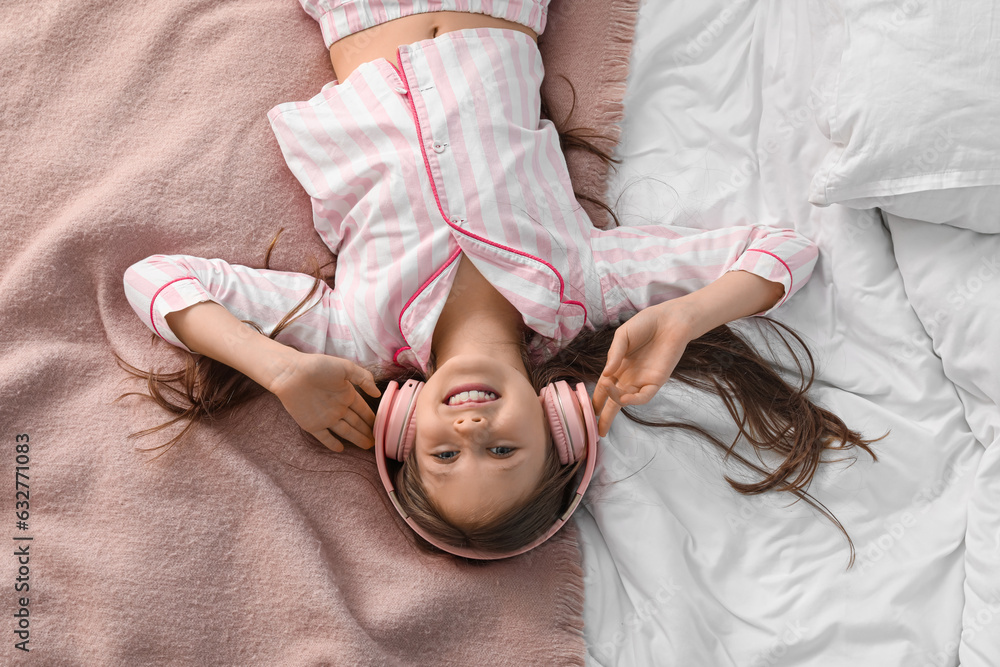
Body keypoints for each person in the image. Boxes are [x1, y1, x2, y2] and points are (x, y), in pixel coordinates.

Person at [120, 0, 879, 560]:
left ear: (403, 426)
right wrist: (681, 320)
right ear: (557, 423)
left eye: (444, 456)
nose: (472, 434)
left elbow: (156, 280)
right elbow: (784, 250)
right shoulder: (585, 283)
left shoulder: (353, 330)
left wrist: (281, 369)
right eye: (504, 453)